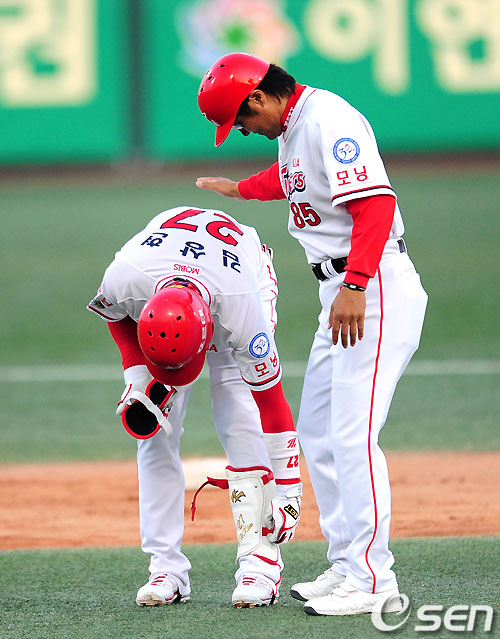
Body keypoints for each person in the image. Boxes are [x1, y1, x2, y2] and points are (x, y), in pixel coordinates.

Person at [196, 52, 428, 616]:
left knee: (352, 437)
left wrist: (356, 283)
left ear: (258, 97)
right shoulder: (295, 127)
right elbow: (295, 181)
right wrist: (239, 190)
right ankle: (347, 563)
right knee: (319, 434)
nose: (243, 130)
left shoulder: (329, 119)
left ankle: (373, 579)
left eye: (241, 120)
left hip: (370, 286)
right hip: (345, 291)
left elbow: (376, 204)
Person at [87, 204, 302, 608]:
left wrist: (290, 491)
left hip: (241, 276)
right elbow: (115, 315)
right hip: (172, 284)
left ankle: (261, 564)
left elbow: (271, 404)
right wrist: (137, 375)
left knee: (239, 411)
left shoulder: (241, 309)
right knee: (155, 432)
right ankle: (165, 568)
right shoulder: (126, 274)